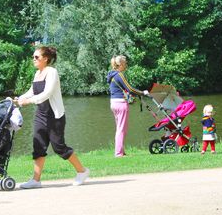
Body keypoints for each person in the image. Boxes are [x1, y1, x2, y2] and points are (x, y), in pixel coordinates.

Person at [16, 45, 90, 188]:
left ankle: (82, 171)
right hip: (40, 115)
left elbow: (47, 93)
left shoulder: (51, 72)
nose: (34, 59)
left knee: (59, 147)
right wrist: (19, 99)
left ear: (46, 58)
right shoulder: (37, 74)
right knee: (38, 145)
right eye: (33, 57)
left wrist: (29, 101)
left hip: (54, 116)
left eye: (36, 57)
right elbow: (31, 91)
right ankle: (36, 180)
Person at [106, 55, 149, 157]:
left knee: (120, 128)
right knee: (121, 129)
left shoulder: (112, 75)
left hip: (113, 103)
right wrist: (143, 93)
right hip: (121, 104)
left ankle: (121, 151)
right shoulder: (119, 75)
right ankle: (119, 153)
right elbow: (130, 89)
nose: (126, 65)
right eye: (125, 63)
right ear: (120, 64)